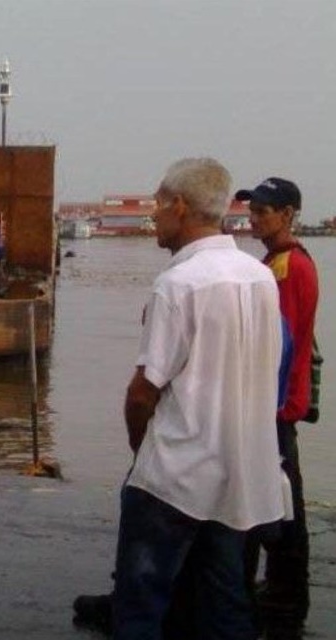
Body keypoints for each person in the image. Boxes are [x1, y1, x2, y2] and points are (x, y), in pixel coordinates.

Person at [111, 158, 287, 638]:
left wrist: (140, 449)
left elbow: (143, 391)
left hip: (176, 476)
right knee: (225, 602)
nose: (153, 216)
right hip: (237, 473)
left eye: (157, 205)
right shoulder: (259, 278)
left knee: (141, 603)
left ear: (180, 207)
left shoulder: (178, 283)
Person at [238, 177, 319, 625]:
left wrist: (257, 402)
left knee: (283, 502)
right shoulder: (280, 261)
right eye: (253, 209)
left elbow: (279, 342)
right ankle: (282, 588)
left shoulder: (286, 266)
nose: (254, 217)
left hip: (276, 404)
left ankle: (287, 596)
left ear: (287, 214)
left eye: (264, 210)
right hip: (281, 401)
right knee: (280, 494)